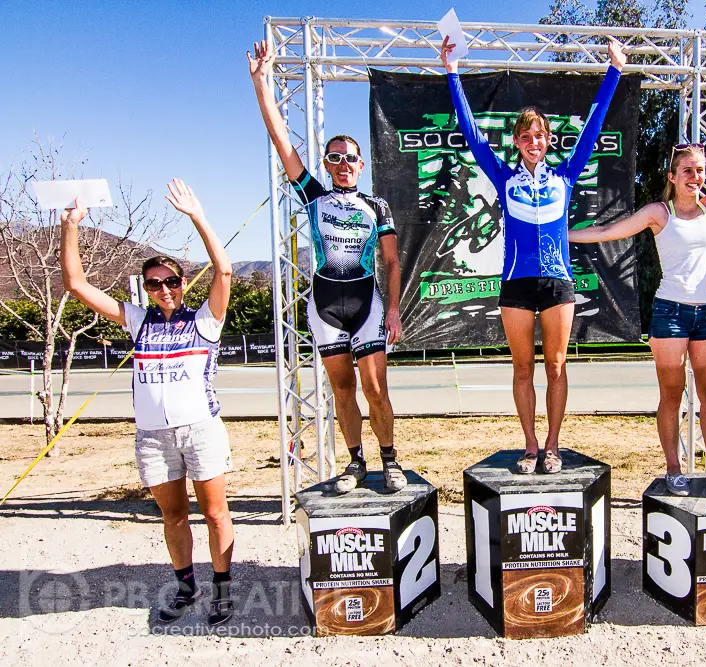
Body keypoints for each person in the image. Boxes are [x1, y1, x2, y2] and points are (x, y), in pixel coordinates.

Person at [439, 37, 626, 474]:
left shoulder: (565, 174)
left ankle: (554, 446)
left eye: (539, 135)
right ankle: (528, 446)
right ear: (517, 142)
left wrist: (614, 70)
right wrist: (452, 72)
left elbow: (594, 126)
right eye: (525, 136)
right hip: (516, 285)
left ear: (548, 139)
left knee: (557, 367)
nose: (533, 142)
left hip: (558, 282)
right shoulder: (503, 177)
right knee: (522, 368)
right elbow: (470, 133)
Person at [568, 90, 706, 494]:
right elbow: (607, 232)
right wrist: (559, 233)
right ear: (673, 176)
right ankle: (674, 469)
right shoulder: (660, 213)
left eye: (701, 170)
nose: (696, 176)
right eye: (688, 170)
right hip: (670, 312)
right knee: (671, 396)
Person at [60, 179, 235, 625]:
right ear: (145, 288)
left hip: (200, 429)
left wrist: (197, 215)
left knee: (215, 512)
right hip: (153, 437)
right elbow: (76, 284)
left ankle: (222, 589)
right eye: (154, 283)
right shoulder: (137, 321)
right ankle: (186, 586)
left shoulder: (204, 321)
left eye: (171, 281)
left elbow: (225, 271)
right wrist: (71, 226)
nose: (164, 289)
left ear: (181, 282)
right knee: (174, 517)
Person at [248, 40, 406, 493]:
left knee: (376, 389)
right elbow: (282, 141)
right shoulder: (313, 196)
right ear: (326, 164)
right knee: (341, 390)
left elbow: (391, 262)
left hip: (366, 303)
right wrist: (262, 84)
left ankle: (389, 460)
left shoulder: (377, 206)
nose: (340, 164)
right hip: (324, 306)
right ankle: (355, 463)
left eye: (348, 158)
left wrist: (392, 309)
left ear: (360, 164)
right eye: (332, 157)